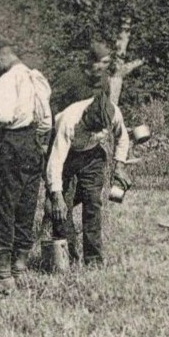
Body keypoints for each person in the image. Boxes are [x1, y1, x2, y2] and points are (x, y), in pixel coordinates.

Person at [0, 38, 52, 293]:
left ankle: (1, 277)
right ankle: (19, 267)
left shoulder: (7, 79)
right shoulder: (34, 76)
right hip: (32, 145)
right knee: (24, 207)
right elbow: (46, 122)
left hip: (9, 145)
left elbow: (3, 115)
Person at [45, 67, 130, 266]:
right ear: (85, 116)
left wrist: (120, 166)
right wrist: (56, 196)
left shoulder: (113, 112)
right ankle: (68, 259)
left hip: (93, 156)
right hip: (67, 156)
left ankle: (93, 260)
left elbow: (122, 137)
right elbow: (55, 161)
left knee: (93, 204)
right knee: (60, 209)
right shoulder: (69, 120)